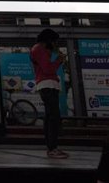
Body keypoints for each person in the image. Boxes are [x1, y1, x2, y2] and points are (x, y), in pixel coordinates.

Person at [30, 28, 68, 159]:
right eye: (54, 41)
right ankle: (52, 148)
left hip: (48, 85)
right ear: (48, 40)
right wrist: (58, 60)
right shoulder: (39, 49)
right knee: (53, 117)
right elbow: (47, 69)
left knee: (50, 117)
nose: (55, 44)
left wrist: (56, 55)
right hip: (47, 85)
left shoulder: (41, 49)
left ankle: (52, 147)